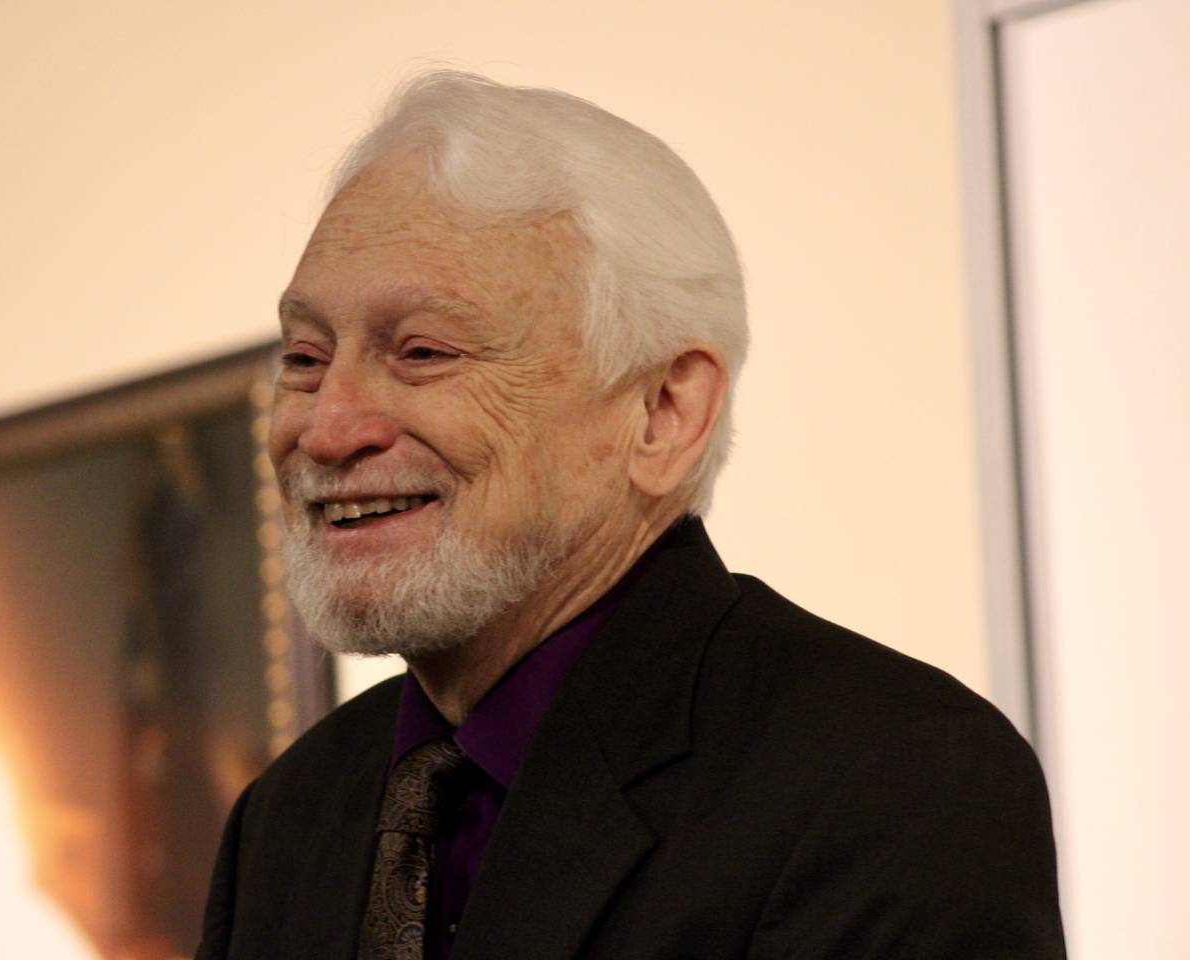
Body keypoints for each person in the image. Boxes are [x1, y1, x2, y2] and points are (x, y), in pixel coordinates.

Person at [195, 71, 1065, 960]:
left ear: (663, 412)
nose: (327, 427)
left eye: (422, 352)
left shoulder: (890, 781)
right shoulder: (288, 816)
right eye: (304, 357)